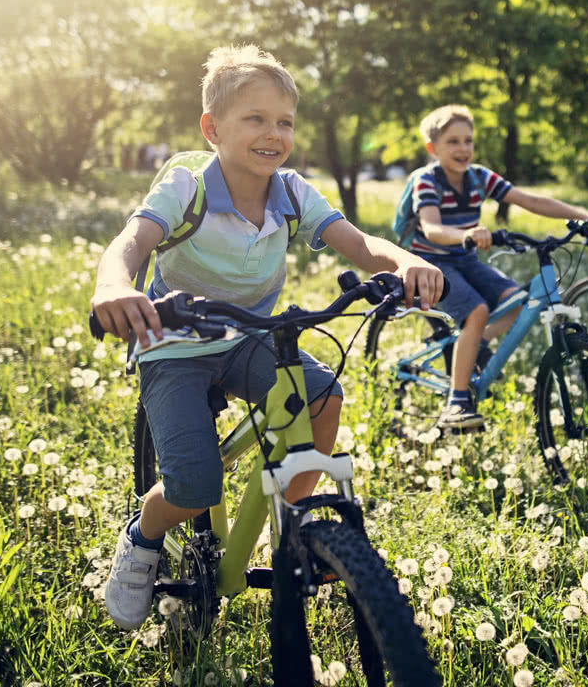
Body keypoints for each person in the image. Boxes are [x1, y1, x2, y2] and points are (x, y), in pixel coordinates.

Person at [90, 45, 444, 631]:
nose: (273, 133)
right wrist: (112, 286)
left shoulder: (292, 192)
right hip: (174, 341)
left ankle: (296, 525)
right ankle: (144, 535)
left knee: (323, 396)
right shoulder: (187, 187)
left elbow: (359, 245)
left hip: (246, 336)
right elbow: (132, 242)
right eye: (255, 119)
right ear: (212, 128)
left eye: (284, 122)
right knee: (195, 486)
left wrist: (404, 260)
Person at [404, 105, 588, 430]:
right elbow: (431, 229)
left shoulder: (479, 176)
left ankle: (473, 346)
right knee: (476, 311)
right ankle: (457, 402)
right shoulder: (426, 180)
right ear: (433, 148)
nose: (463, 149)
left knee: (516, 301)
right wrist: (466, 235)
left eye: (468, 141)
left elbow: (531, 201)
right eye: (453, 141)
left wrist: (584, 216)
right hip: (431, 262)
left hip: (466, 258)